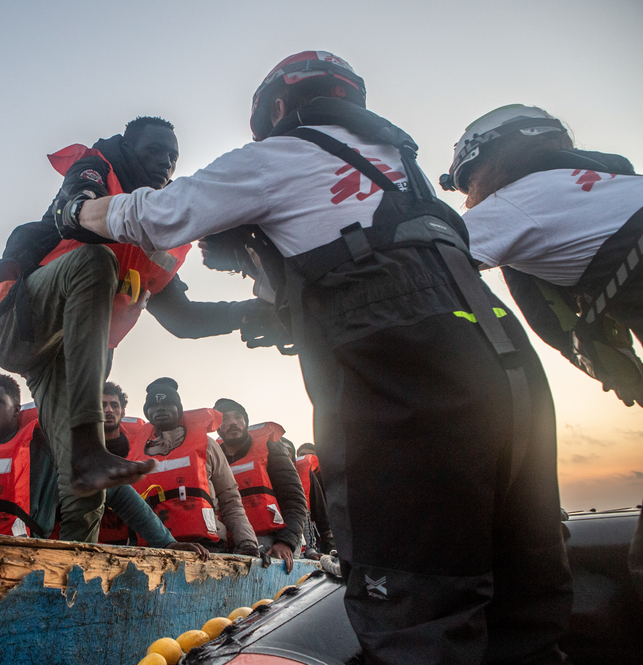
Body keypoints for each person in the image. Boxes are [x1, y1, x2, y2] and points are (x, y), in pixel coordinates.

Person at [71, 52, 571, 663]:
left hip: (403, 379)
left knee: (416, 617)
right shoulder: (401, 169)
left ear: (277, 109)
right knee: (523, 611)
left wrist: (78, 208)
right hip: (505, 365)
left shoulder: (281, 154)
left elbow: (155, 214)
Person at [0, 116, 275, 542]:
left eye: (173, 157)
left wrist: (251, 313)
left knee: (87, 486)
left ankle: (77, 567)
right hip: (13, 325)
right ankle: (88, 441)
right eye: (154, 152)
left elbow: (183, 319)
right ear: (130, 151)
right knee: (96, 262)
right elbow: (74, 208)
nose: (165, 163)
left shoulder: (161, 239)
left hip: (60, 360)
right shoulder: (96, 171)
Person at [440, 104, 643, 406]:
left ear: (487, 161)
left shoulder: (515, 201)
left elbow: (422, 259)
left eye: (469, 182)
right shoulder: (604, 182)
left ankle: (596, 352)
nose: (470, 199)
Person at [0, 373, 208, 558]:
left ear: (16, 408)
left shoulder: (47, 447)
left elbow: (117, 491)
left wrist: (166, 543)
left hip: (29, 558)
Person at [126, 378, 259, 556]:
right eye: (153, 405)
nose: (160, 408)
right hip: (151, 549)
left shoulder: (207, 446)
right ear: (147, 413)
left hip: (206, 549)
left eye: (167, 403)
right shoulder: (134, 454)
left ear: (178, 410)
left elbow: (230, 500)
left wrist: (247, 542)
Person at [214, 398, 305, 573]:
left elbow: (294, 499)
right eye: (225, 419)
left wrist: (285, 542)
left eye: (238, 417)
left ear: (246, 423)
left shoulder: (270, 448)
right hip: (231, 541)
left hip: (273, 536)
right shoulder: (213, 456)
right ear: (218, 427)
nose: (233, 423)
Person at [99, 381, 146, 544]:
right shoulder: (78, 450)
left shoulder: (139, 449)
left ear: (123, 411)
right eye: (102, 405)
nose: (109, 410)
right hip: (88, 539)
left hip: (130, 541)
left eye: (114, 405)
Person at [293, 442, 334, 558]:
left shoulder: (326, 479)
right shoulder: (291, 476)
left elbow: (323, 518)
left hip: (320, 540)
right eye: (302, 454)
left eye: (311, 455)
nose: (306, 457)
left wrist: (331, 547)